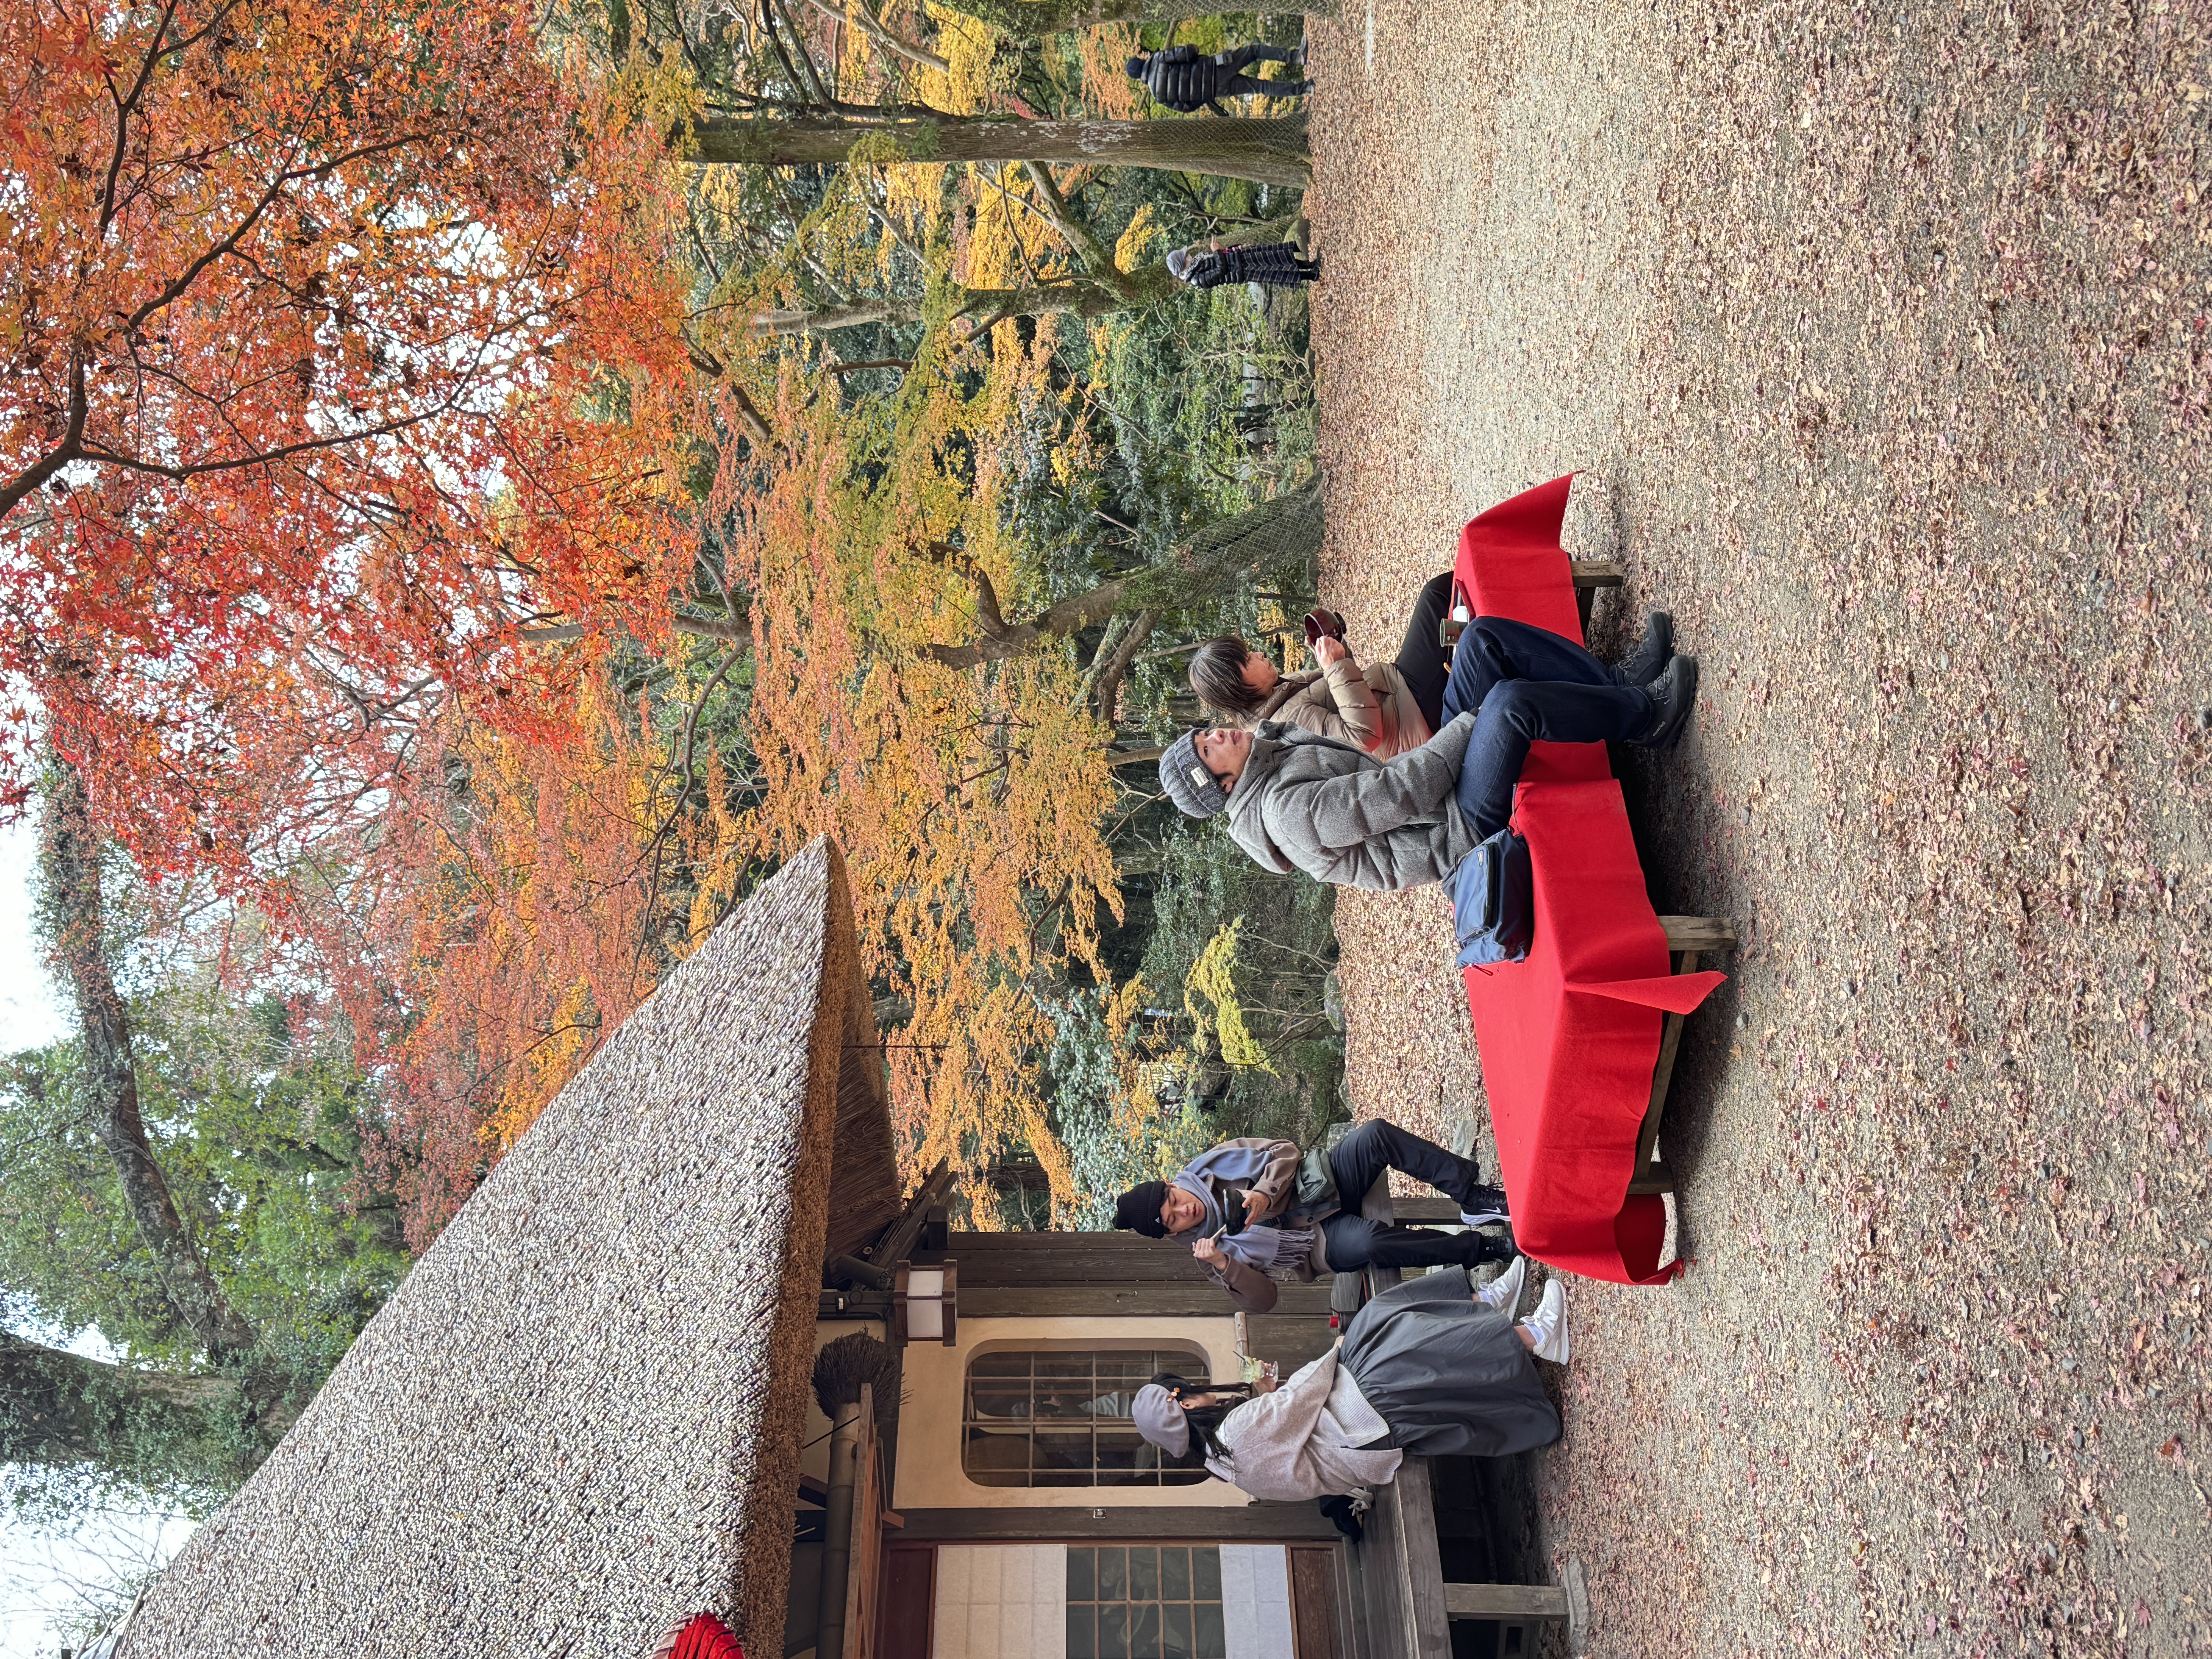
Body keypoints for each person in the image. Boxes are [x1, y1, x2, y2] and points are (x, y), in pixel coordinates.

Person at [1155, 610, 1697, 890]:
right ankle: (1648, 720)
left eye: (1206, 735)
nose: (1218, 737)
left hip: (1438, 786)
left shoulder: (1272, 754)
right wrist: (1467, 723)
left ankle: (1618, 686)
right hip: (1455, 828)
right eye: (1210, 753)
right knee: (1505, 705)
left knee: (1479, 639)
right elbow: (1397, 792)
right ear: (1225, 786)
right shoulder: (1286, 815)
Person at [1127, 1262, 1567, 1502]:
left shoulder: (1228, 1467)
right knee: (1393, 1349)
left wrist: (1269, 1394)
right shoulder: (1236, 1433)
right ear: (1183, 1403)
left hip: (1356, 1435)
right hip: (1363, 1424)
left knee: (1377, 1319)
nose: (1202, 1389)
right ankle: (1538, 1337)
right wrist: (1334, 1351)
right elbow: (1304, 1398)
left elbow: (1295, 1425)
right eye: (1192, 1389)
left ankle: (1486, 1304)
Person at [1110, 1121, 1515, 1313]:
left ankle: (1472, 1198)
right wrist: (1226, 1265)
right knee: (1368, 1242)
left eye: (1175, 1201)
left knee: (1373, 1136)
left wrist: (1263, 1195)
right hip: (1319, 1242)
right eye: (1174, 1219)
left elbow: (1285, 1151)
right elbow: (1264, 1301)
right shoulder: (1209, 1254)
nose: (1185, 1210)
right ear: (1172, 1233)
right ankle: (1482, 1249)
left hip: (1322, 1185)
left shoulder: (1212, 1164)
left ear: (1171, 1184)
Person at [1127, 42, 1309, 115]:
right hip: (1218, 67)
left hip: (1217, 91)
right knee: (1254, 52)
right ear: (1142, 60)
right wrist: (1194, 49)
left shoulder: (1159, 97)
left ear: (1139, 78)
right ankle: (1296, 57)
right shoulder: (1159, 59)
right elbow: (1189, 52)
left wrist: (1205, 96)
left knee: (1260, 88)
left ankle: (1304, 89)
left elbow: (1187, 108)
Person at [1167, 240, 1319, 290]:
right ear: (1183, 263)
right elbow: (1221, 270)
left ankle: (1309, 264)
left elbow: (1221, 255)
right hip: (1242, 271)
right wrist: (1217, 252)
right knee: (1276, 272)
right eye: (1184, 256)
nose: (1188, 255)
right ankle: (1311, 275)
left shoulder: (1198, 262)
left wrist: (1237, 247)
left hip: (1241, 258)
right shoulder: (1196, 280)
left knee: (1276, 256)